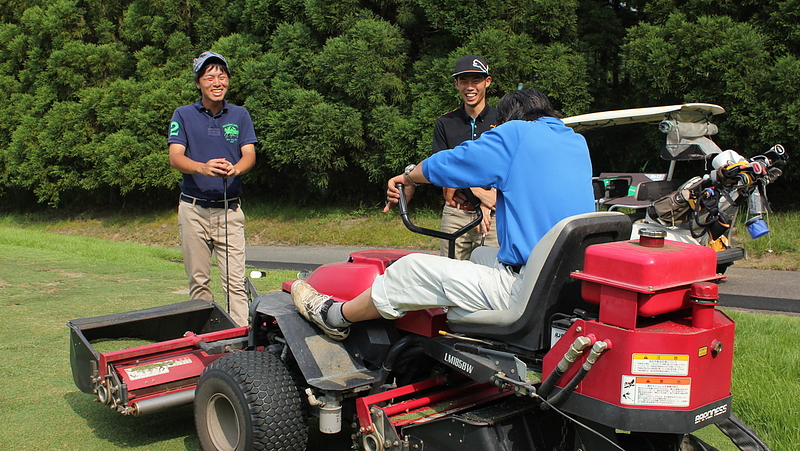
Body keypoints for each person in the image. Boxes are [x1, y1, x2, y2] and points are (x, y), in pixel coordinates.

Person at [291, 89, 595, 341]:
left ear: (505, 121)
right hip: (566, 283)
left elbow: (452, 162)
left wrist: (410, 177)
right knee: (479, 256)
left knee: (409, 270)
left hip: (525, 289)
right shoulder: (574, 142)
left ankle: (334, 316)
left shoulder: (516, 133)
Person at [168, 51, 258, 327]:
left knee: (235, 282)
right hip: (193, 209)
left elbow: (249, 154)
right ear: (199, 83)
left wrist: (237, 169)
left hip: (229, 211)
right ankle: (203, 339)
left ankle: (242, 343)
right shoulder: (183, 115)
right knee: (198, 281)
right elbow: (176, 157)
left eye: (222, 76)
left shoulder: (240, 115)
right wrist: (203, 168)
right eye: (210, 76)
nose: (217, 81)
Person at [432, 55, 500, 260]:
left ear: (487, 81)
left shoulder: (504, 120)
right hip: (456, 213)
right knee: (449, 278)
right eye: (464, 81)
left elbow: (510, 168)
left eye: (476, 80)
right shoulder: (445, 122)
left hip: (495, 215)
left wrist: (489, 203)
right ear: (456, 84)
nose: (470, 87)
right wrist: (479, 193)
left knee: (493, 278)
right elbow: (441, 169)